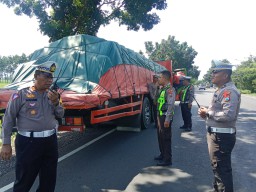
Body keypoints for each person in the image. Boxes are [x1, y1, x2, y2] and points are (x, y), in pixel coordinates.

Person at [0, 61, 65, 192]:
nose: (49, 80)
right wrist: (6, 143)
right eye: (46, 76)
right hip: (28, 143)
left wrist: (56, 102)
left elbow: (61, 114)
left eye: (51, 77)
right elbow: (8, 119)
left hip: (50, 142)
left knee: (48, 181)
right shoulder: (21, 94)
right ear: (36, 76)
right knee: (24, 181)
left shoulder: (53, 95)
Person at [198, 60, 241, 192]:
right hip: (218, 135)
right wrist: (207, 113)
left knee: (222, 171)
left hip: (221, 137)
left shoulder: (229, 91)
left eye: (215, 72)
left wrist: (208, 113)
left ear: (225, 75)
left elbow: (228, 115)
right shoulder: (222, 90)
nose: (212, 74)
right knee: (218, 169)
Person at [154, 70, 176, 166]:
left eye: (159, 77)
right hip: (160, 115)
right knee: (160, 136)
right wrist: (157, 88)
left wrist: (167, 119)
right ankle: (162, 154)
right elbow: (155, 101)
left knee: (166, 138)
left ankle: (167, 159)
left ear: (164, 78)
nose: (158, 79)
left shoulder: (170, 89)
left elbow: (171, 105)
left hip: (165, 116)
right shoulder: (162, 89)